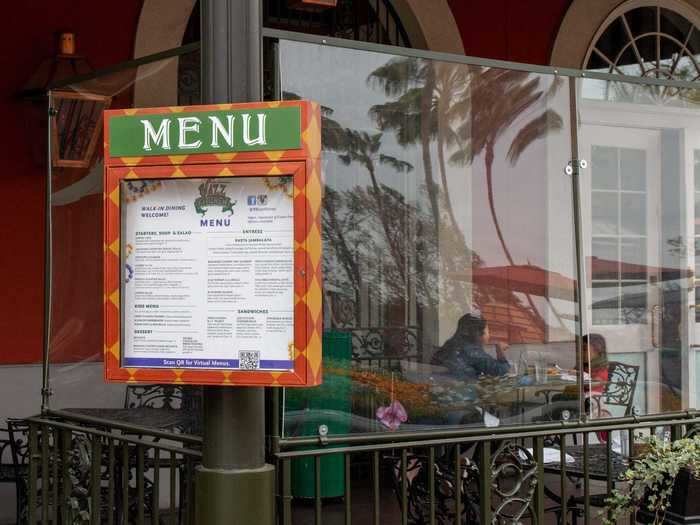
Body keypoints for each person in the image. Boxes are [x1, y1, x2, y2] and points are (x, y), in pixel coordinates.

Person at [431, 312, 510, 380]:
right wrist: (500, 351)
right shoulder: (472, 351)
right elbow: (501, 371)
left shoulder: (450, 344)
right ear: (478, 333)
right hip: (461, 395)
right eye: (487, 331)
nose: (489, 335)